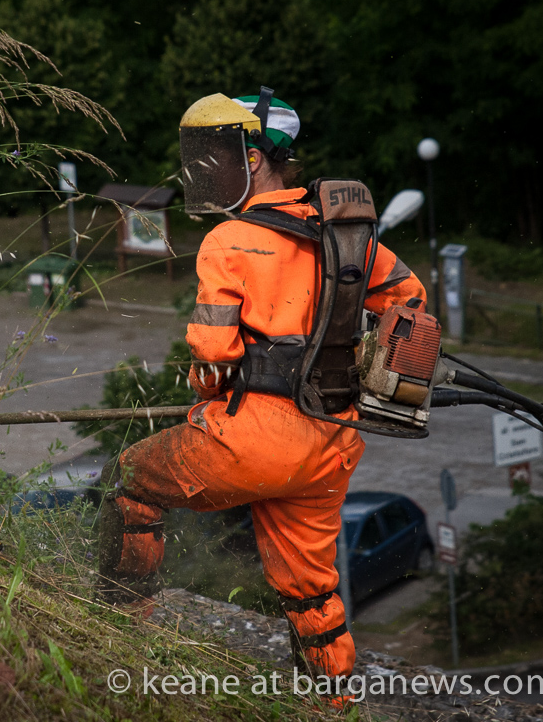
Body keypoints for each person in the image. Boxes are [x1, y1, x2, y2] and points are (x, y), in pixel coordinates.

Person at [96, 89, 426, 686]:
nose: (204, 168)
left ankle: (116, 626)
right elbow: (412, 304)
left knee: (130, 479)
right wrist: (360, 365)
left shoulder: (228, 241)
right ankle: (331, 701)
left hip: (250, 441)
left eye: (214, 154)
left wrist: (206, 391)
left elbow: (214, 356)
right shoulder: (346, 236)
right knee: (311, 593)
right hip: (331, 444)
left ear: (251, 159)